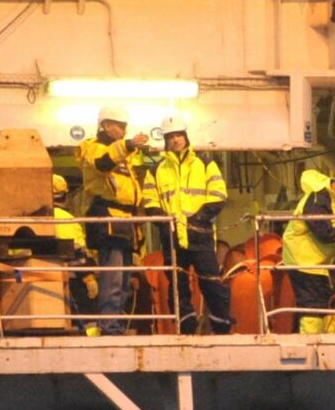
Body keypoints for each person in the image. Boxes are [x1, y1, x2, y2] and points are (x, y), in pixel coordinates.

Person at [142, 116, 234, 334]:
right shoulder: (155, 170)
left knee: (211, 282)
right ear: (165, 140)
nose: (175, 140)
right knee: (177, 285)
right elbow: (150, 201)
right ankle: (186, 327)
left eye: (178, 135)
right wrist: (164, 222)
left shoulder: (205, 163)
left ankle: (221, 326)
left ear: (185, 137)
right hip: (172, 237)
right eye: (171, 136)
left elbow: (219, 195)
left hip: (199, 234)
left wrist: (199, 218)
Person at [76, 109, 150, 335]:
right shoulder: (93, 147)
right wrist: (128, 145)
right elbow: (102, 163)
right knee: (114, 276)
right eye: (120, 125)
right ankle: (108, 324)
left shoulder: (123, 155)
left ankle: (114, 322)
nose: (124, 130)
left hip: (125, 220)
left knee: (124, 278)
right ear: (106, 125)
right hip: (108, 217)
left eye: (125, 126)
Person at [281, 162, 335, 334]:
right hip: (303, 262)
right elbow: (324, 233)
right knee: (313, 306)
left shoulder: (332, 201)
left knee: (327, 303)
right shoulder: (318, 200)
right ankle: (309, 346)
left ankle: (327, 345)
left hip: (316, 264)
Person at [50, 173, 95, 323]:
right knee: (87, 317)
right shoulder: (65, 218)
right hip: (73, 280)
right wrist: (88, 277)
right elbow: (74, 252)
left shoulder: (40, 217)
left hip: (52, 279)